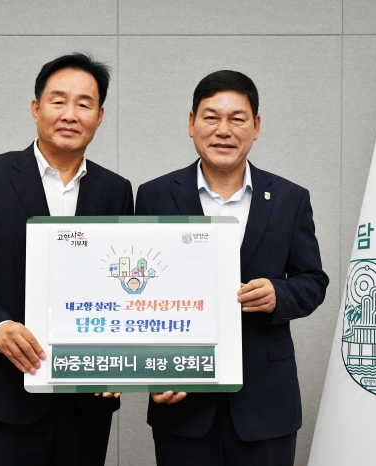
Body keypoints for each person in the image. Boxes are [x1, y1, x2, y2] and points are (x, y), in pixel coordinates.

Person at [0, 53, 133, 466]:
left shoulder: (116, 190)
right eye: (58, 101)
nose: (70, 114)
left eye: (84, 104)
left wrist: (121, 358)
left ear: (99, 116)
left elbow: (121, 283)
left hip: (88, 395)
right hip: (11, 387)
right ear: (36, 108)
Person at [135, 70, 329, 466]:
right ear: (191, 123)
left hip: (266, 402)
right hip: (183, 398)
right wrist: (152, 370)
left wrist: (279, 294)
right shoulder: (155, 195)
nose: (223, 130)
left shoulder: (290, 198)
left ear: (256, 126)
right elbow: (138, 294)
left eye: (237, 119)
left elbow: (313, 281)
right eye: (211, 117)